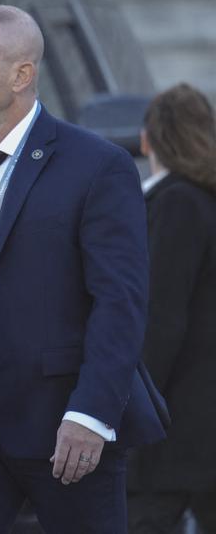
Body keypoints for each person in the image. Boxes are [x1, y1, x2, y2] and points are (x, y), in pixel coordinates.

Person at [0, 5, 168, 533]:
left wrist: (91, 414)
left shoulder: (97, 166)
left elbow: (120, 300)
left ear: (22, 75)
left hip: (64, 420)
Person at [127, 83, 216, 533]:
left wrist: (128, 407)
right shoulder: (203, 199)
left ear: (148, 140)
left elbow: (159, 317)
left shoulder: (176, 203)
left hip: (178, 425)